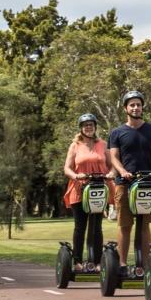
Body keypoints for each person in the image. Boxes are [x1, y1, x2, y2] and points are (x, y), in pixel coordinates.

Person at [107, 90, 151, 270]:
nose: (136, 107)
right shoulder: (117, 132)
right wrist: (122, 171)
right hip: (125, 183)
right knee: (125, 225)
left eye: (138, 104)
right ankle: (123, 264)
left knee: (145, 225)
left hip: (146, 183)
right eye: (132, 105)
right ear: (126, 108)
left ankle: (146, 265)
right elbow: (114, 157)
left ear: (142, 107)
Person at [62, 113, 113, 270]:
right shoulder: (75, 145)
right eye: (85, 125)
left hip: (98, 189)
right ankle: (77, 261)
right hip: (79, 189)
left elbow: (112, 165)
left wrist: (111, 174)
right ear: (81, 128)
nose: (88, 127)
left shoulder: (103, 145)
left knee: (96, 226)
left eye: (91, 125)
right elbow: (67, 168)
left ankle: (97, 262)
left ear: (95, 127)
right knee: (80, 226)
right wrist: (76, 176)